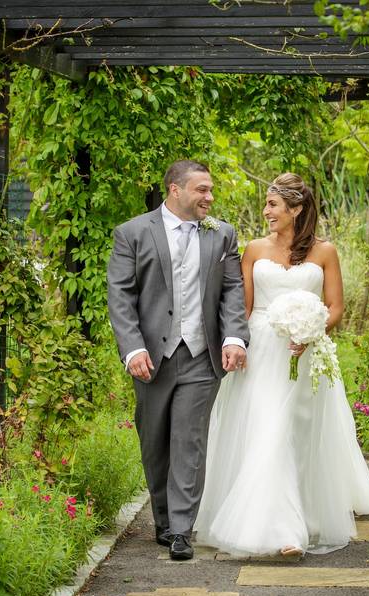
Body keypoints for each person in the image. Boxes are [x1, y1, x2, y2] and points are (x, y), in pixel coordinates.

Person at [193, 172, 369, 557]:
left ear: (296, 209)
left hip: (307, 353)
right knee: (271, 429)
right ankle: (282, 532)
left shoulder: (325, 252)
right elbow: (243, 307)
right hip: (262, 352)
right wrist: (234, 344)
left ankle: (300, 512)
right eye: (266, 204)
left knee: (297, 432)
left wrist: (312, 329)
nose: (266, 211)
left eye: (273, 204)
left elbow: (335, 308)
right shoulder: (253, 249)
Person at [107, 159, 250, 561]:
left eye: (210, 190)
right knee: (154, 443)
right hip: (151, 356)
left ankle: (182, 531)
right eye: (201, 189)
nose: (209, 197)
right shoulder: (132, 233)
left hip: (202, 356)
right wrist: (132, 348)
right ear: (175, 189)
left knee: (190, 440)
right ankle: (165, 520)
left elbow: (232, 291)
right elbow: (121, 296)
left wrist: (235, 336)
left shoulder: (222, 234)